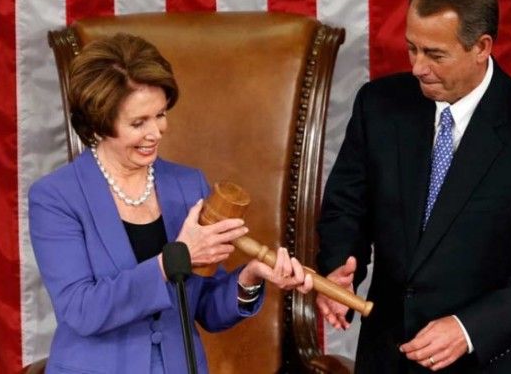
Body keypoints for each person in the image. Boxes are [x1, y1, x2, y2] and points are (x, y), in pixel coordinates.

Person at [315, 0, 511, 373]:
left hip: (489, 360)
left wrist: (468, 328)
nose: (417, 67)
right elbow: (346, 208)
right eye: (412, 48)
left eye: (435, 54)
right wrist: (339, 269)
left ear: (482, 48)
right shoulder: (379, 106)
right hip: (390, 355)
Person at [29, 33, 312, 374]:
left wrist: (250, 277)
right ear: (98, 124)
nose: (156, 132)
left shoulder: (187, 184)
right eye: (138, 123)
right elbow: (82, 310)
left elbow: (205, 305)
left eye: (160, 114)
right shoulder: (56, 197)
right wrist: (174, 260)